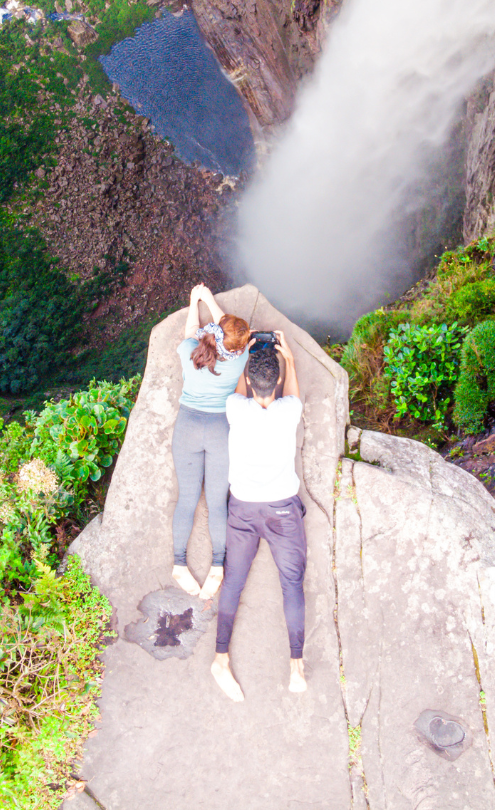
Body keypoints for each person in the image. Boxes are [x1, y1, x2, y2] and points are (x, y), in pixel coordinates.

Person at [211, 331, 307, 702]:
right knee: (292, 583)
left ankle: (220, 658)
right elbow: (293, 393)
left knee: (234, 580)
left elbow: (237, 393)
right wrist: (291, 361)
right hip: (282, 509)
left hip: (243, 508)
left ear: (250, 382)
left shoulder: (235, 409)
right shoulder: (290, 410)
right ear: (278, 382)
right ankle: (296, 667)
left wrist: (245, 357)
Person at [171, 283, 252, 601]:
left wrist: (197, 300)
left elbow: (197, 329)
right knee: (218, 503)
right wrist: (211, 301)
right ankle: (218, 565)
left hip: (188, 425)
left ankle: (179, 563)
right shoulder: (239, 356)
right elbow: (230, 330)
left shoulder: (189, 350)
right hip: (221, 429)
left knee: (187, 500)